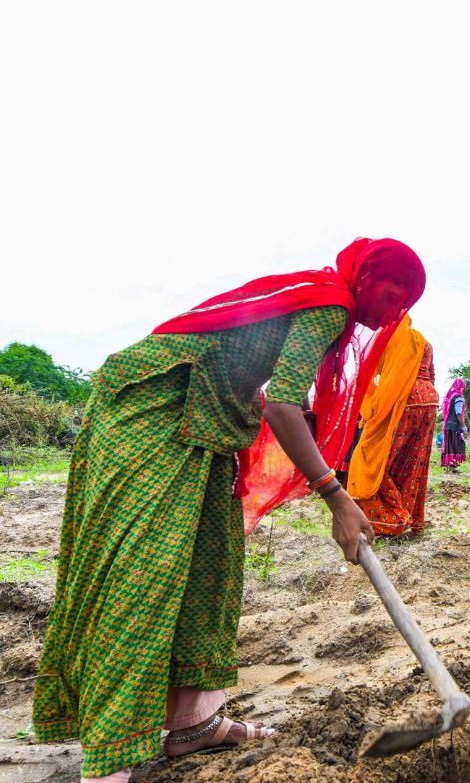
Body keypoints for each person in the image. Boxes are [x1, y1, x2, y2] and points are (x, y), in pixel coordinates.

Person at [33, 238, 425, 781]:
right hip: (154, 406)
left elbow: (281, 394)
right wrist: (336, 496)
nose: (393, 310)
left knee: (211, 560)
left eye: (407, 302)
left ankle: (194, 721)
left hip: (210, 415)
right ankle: (111, 754)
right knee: (143, 570)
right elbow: (285, 405)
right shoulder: (330, 301)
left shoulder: (322, 299)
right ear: (364, 277)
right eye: (392, 292)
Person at [345, 315, 437, 537]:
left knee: (377, 457)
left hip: (404, 399)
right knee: (414, 464)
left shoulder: (392, 337)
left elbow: (370, 371)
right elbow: (432, 375)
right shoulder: (424, 341)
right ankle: (411, 518)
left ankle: (393, 518)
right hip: (430, 400)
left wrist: (373, 405)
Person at [440, 378, 467, 469]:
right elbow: (459, 413)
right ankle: (452, 465)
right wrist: (464, 427)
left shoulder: (450, 396)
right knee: (456, 444)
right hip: (454, 425)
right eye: (463, 387)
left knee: (449, 444)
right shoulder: (458, 398)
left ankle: (449, 465)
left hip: (447, 425)